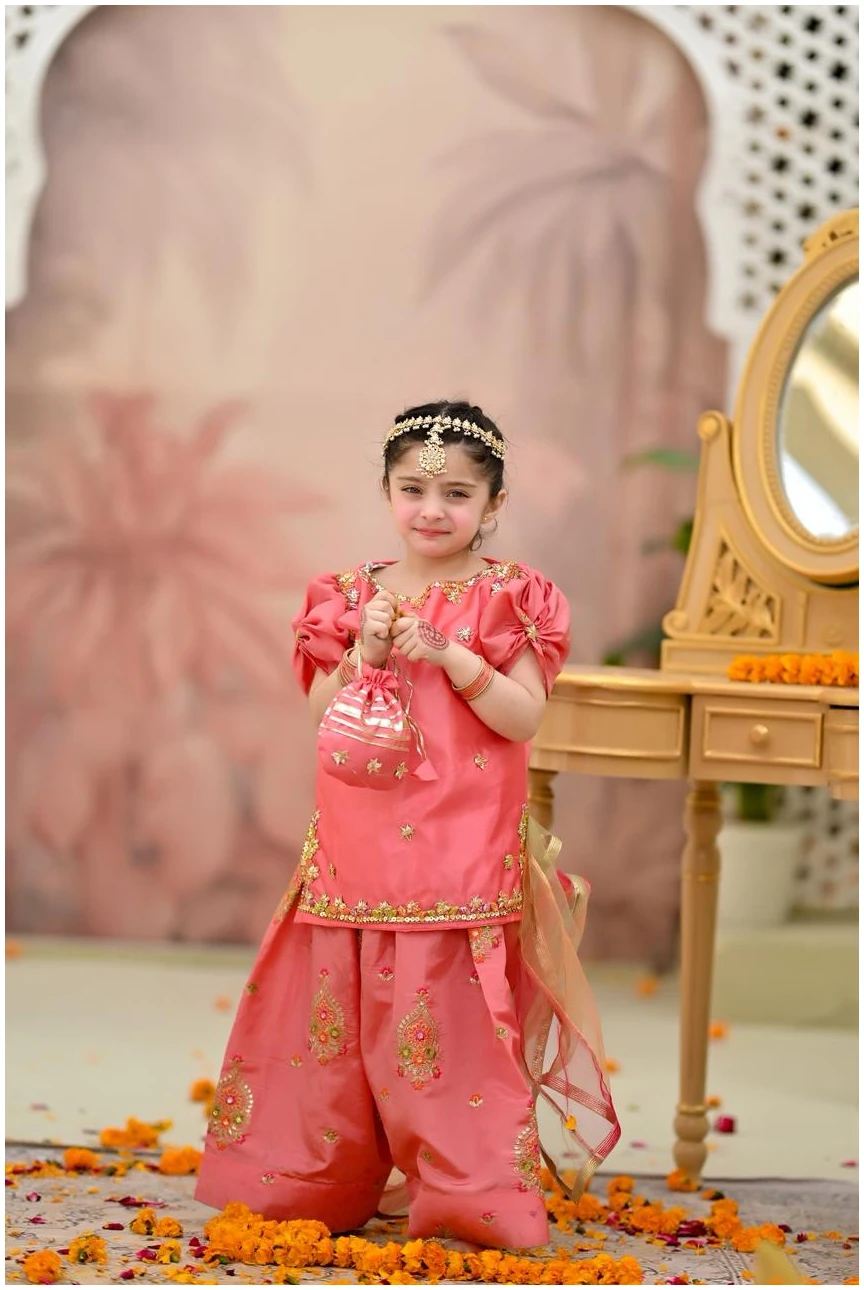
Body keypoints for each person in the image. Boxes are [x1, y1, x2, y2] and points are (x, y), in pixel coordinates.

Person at [195, 400, 619, 1249]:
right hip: (357, 852)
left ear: (493, 504)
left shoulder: (511, 597)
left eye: (457, 494)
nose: (432, 509)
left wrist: (451, 656)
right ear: (386, 491)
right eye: (412, 490)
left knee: (450, 1040)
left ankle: (468, 1194)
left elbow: (522, 717)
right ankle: (319, 1183)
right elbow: (323, 715)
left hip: (459, 852)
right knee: (337, 1035)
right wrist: (370, 654)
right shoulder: (348, 596)